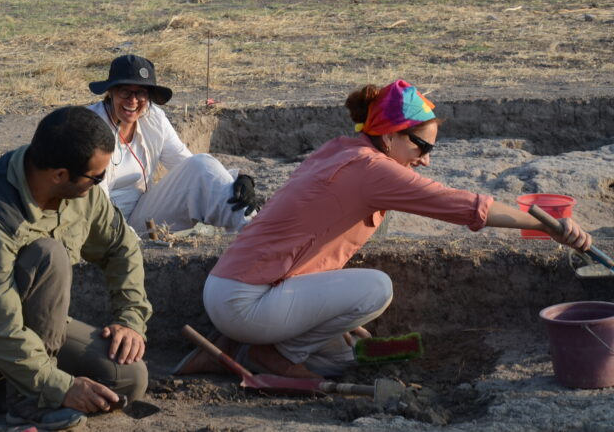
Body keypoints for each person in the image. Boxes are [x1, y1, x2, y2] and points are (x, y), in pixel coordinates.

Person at [175, 79, 593, 379]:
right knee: (376, 288)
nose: (426, 159)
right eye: (421, 147)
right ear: (392, 135)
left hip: (233, 290)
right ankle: (272, 353)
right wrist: (552, 226)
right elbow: (460, 205)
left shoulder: (342, 150)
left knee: (347, 357)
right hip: (248, 302)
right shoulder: (372, 170)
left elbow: (309, 242)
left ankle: (234, 348)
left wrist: (336, 317)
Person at [0, 106, 151, 430]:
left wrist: (130, 319)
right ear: (59, 175)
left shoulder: (80, 191)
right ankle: (29, 403)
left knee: (126, 378)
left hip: (23, 332)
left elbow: (121, 247)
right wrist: (62, 387)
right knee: (48, 256)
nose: (100, 184)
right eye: (96, 177)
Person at [86, 54, 260, 235]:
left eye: (141, 93)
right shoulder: (91, 126)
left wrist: (236, 181)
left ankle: (256, 234)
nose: (133, 100)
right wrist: (126, 241)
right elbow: (96, 202)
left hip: (142, 214)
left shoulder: (153, 118)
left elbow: (190, 168)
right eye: (125, 91)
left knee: (201, 163)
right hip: (99, 224)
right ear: (111, 91)